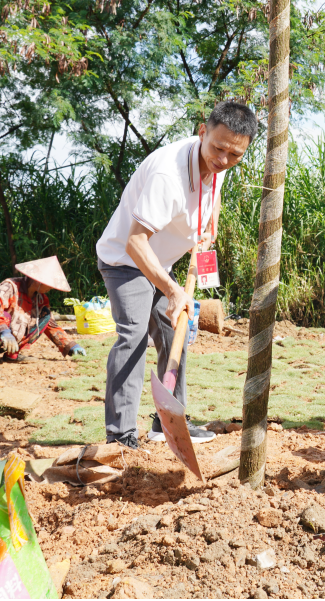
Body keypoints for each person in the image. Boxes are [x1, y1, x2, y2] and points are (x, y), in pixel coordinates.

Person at [96, 101, 258, 449]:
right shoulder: (167, 176)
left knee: (176, 333)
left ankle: (166, 423)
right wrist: (172, 291)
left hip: (161, 262)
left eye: (235, 154)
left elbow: (216, 180)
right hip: (125, 261)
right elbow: (136, 242)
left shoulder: (222, 158)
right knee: (134, 337)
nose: (224, 160)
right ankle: (120, 437)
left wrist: (210, 216)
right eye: (218, 149)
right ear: (203, 131)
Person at [0, 256, 85, 371]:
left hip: (3, 341)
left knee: (44, 315)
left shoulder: (41, 299)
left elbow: (50, 325)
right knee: (5, 316)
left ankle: (12, 354)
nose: (52, 288)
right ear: (38, 281)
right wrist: (4, 331)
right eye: (50, 283)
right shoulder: (10, 286)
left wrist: (70, 346)